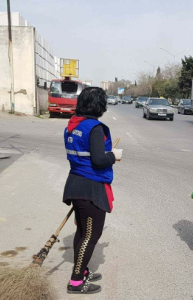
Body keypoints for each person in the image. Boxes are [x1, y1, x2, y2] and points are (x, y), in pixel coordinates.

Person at [63, 87, 123, 294]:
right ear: (98, 105)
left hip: (75, 182)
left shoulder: (72, 125)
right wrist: (113, 156)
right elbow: (98, 161)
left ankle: (83, 270)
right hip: (91, 187)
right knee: (91, 234)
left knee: (82, 232)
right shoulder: (94, 127)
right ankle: (76, 282)